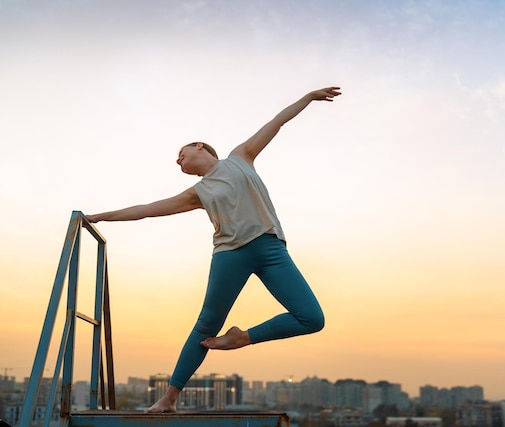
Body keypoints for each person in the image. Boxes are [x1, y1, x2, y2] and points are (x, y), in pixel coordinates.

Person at [86, 86, 342, 413]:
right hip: (230, 255)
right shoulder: (197, 192)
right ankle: (168, 399)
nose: (177, 160)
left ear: (199, 147)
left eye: (181, 153)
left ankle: (242, 338)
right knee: (206, 325)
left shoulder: (241, 157)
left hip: (271, 249)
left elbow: (277, 122)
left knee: (311, 318)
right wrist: (100, 217)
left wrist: (308, 97)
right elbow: (147, 208)